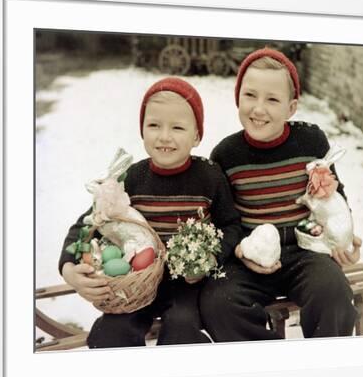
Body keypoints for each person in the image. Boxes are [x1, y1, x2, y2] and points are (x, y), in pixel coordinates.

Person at [58, 77, 242, 348]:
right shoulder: (132, 178)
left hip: (187, 285)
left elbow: (232, 225)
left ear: (197, 136)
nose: (164, 136)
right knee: (112, 331)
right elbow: (88, 223)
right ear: (142, 130)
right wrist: (69, 268)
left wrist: (210, 257)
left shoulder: (209, 176)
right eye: (154, 125)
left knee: (182, 326)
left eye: (177, 127)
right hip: (135, 283)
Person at [199, 47, 362, 341]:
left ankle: (326, 369)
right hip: (250, 256)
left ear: (291, 107)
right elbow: (224, 218)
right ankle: (268, 367)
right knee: (218, 302)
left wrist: (343, 237)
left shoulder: (310, 141)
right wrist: (239, 251)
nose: (258, 109)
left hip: (306, 251)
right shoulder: (226, 155)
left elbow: (334, 195)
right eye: (250, 95)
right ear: (238, 97)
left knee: (333, 293)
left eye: (272, 99)